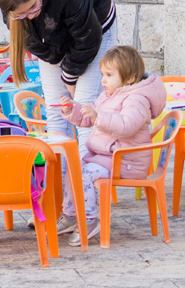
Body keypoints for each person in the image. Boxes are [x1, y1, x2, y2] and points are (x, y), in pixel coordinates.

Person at [0, 0, 117, 157]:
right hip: (52, 36)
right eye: (20, 15)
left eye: (33, 7)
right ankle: (60, 183)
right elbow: (31, 40)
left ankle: (86, 183)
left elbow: (88, 38)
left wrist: (69, 74)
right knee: (56, 110)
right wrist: (61, 66)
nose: (29, 17)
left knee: (85, 107)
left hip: (94, 28)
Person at [58, 46, 166, 246]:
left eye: (109, 75)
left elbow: (126, 126)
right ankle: (71, 214)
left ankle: (89, 219)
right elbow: (89, 119)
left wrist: (99, 117)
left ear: (130, 77)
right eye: (102, 74)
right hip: (108, 157)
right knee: (72, 168)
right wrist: (73, 109)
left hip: (125, 161)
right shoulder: (110, 95)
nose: (103, 80)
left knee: (84, 174)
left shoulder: (137, 99)